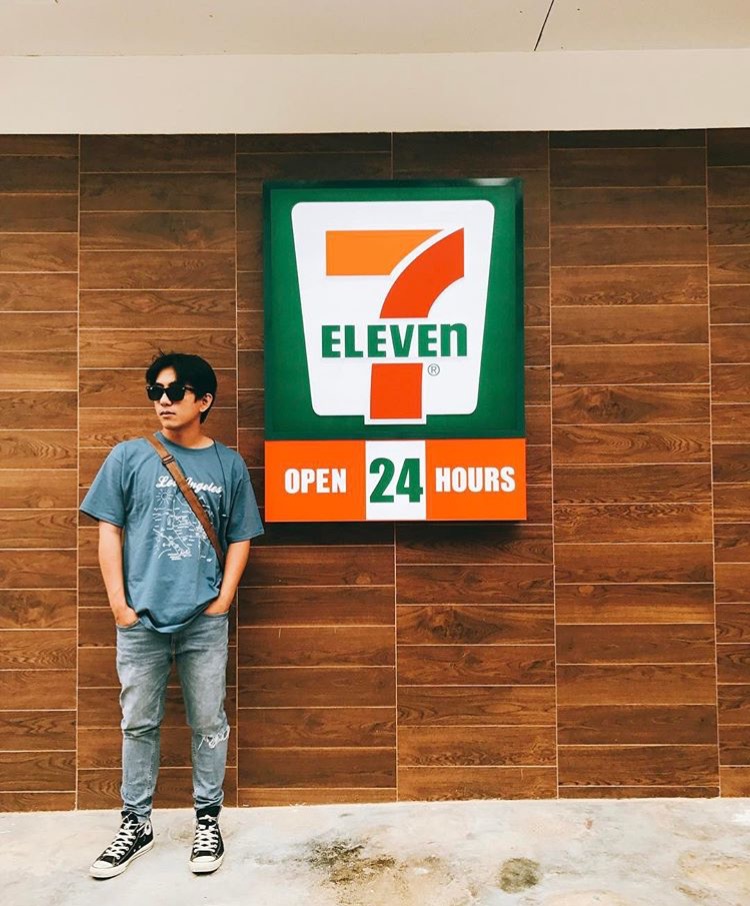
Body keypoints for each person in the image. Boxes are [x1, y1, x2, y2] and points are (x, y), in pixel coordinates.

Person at [81, 351, 263, 879]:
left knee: (208, 723)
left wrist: (223, 599)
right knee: (138, 723)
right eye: (155, 391)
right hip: (140, 619)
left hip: (204, 618)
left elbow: (241, 535)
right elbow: (109, 531)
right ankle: (135, 824)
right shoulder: (128, 457)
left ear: (203, 400)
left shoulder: (228, 464)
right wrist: (119, 606)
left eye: (175, 391)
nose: (163, 400)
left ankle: (207, 820)